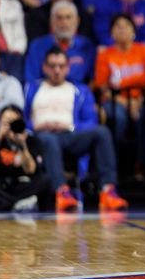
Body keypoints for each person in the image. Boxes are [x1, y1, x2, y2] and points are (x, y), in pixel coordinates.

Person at [25, 47, 128, 212]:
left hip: (70, 134)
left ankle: (108, 191)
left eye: (61, 66)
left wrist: (70, 127)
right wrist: (35, 127)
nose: (56, 70)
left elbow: (91, 120)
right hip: (41, 135)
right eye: (52, 66)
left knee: (102, 132)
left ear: (68, 68)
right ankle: (61, 192)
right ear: (44, 67)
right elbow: (22, 118)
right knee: (49, 139)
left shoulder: (80, 90)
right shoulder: (31, 88)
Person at [94, 14, 145, 179]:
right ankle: (115, 165)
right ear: (111, 33)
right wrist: (125, 102)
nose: (122, 29)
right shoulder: (105, 55)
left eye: (126, 26)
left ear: (133, 31)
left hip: (142, 100)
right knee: (117, 117)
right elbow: (102, 86)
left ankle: (143, 165)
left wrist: (140, 101)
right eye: (117, 26)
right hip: (115, 101)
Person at [0, 105, 51, 212]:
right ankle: (15, 203)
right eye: (6, 122)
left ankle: (7, 203)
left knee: (45, 179)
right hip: (0, 185)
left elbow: (30, 170)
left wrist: (22, 145)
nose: (10, 127)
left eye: (13, 122)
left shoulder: (31, 141)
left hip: (21, 184)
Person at [25, 0, 96, 84]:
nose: (64, 22)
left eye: (68, 17)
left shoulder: (87, 46)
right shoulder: (37, 46)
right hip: (46, 92)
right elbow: (31, 80)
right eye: (59, 17)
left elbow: (92, 80)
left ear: (77, 21)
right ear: (51, 21)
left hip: (77, 94)